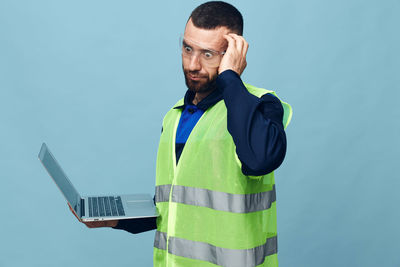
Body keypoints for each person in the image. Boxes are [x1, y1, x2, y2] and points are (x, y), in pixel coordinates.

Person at [70, 1, 292, 266]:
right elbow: (176, 208)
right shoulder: (175, 116)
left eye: (207, 54)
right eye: (188, 49)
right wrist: (115, 219)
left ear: (234, 52)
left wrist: (231, 77)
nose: (193, 64)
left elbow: (259, 160)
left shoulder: (261, 105)